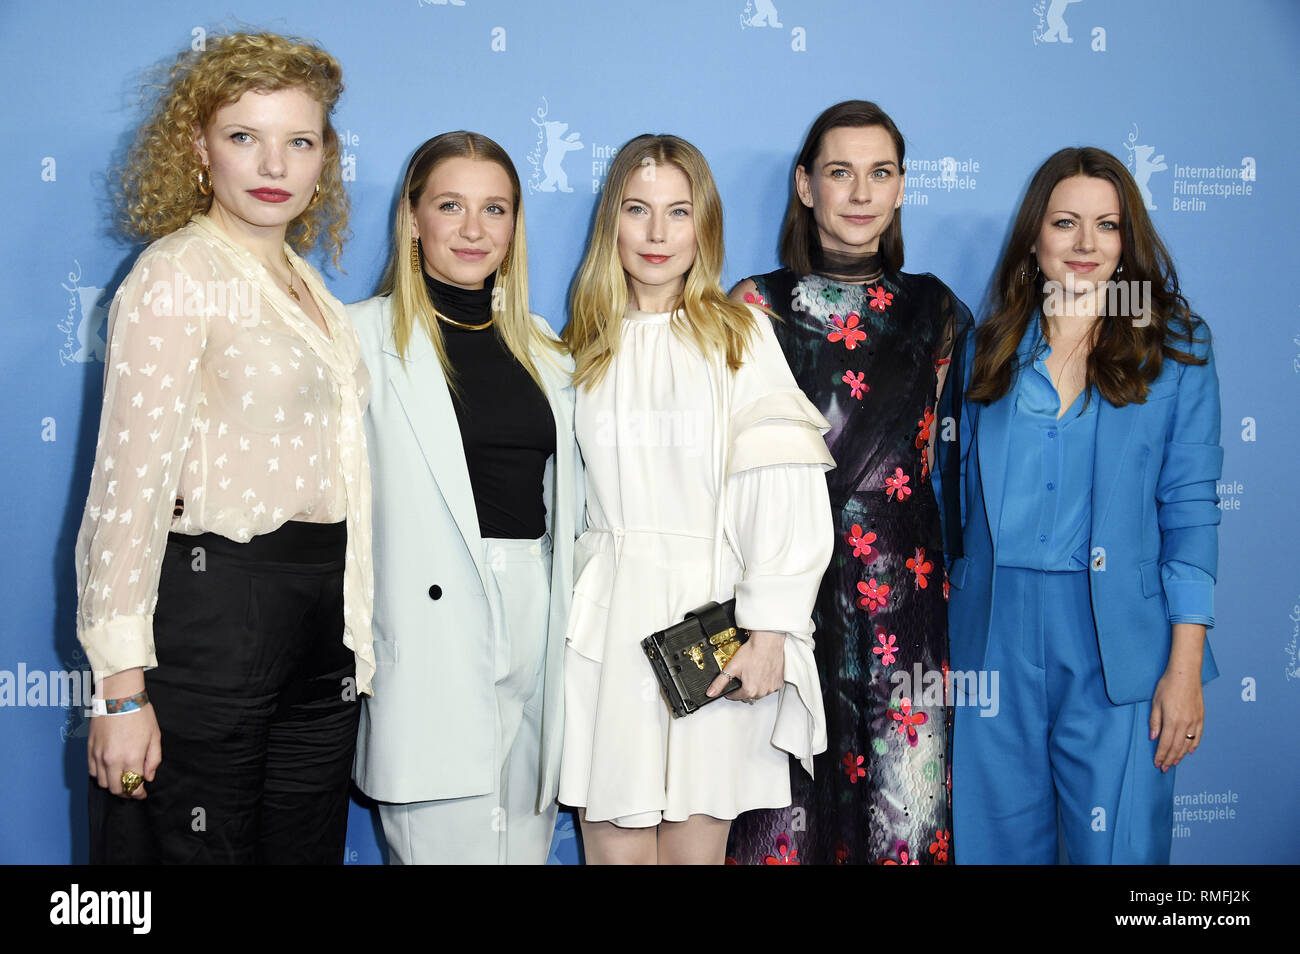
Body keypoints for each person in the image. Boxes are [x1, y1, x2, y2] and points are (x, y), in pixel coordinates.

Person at [76, 32, 371, 864]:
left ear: (323, 160)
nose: (273, 162)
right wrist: (122, 691)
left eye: (299, 140)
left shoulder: (311, 287)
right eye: (244, 136)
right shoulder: (175, 274)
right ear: (199, 149)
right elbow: (126, 488)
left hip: (324, 624)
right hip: (213, 617)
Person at [558, 133, 834, 865]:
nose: (656, 234)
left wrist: (772, 629)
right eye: (637, 209)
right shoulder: (578, 347)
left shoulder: (740, 335)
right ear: (609, 223)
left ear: (704, 224)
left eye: (678, 212)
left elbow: (784, 487)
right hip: (605, 628)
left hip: (707, 627)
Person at [946, 146, 1221, 864]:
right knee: (994, 847)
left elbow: (1190, 509)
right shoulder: (984, 351)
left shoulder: (1178, 349)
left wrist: (1184, 669)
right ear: (1034, 237)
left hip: (1118, 642)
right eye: (1066, 223)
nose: (1086, 244)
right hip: (994, 637)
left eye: (1107, 225)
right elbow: (949, 502)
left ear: (1128, 240)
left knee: (1118, 850)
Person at [726, 100, 972, 866]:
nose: (861, 192)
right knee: (781, 809)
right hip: (784, 603)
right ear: (806, 186)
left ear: (901, 189)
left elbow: (951, 459)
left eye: (880, 173)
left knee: (906, 807)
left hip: (906, 601)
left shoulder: (937, 313)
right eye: (840, 172)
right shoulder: (753, 309)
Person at [350, 132, 580, 864]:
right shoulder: (357, 337)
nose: (474, 229)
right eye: (451, 205)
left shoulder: (545, 347)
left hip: (538, 620)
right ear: (412, 218)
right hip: (426, 634)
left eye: (496, 209)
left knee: (523, 848)